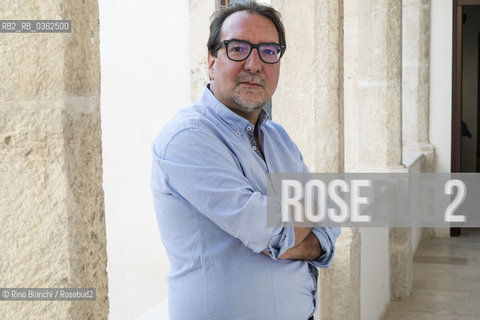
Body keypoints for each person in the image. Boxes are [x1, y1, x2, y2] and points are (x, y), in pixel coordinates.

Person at [150, 2, 341, 319]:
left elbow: (329, 216)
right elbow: (270, 227)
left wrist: (295, 227)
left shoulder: (278, 138)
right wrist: (301, 221)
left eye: (268, 51)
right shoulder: (187, 139)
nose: (254, 64)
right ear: (212, 60)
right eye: (238, 48)